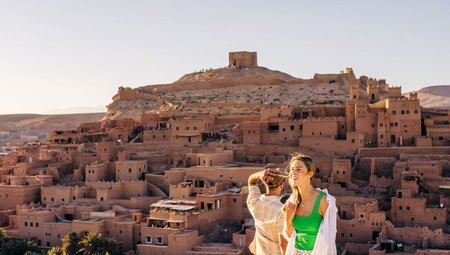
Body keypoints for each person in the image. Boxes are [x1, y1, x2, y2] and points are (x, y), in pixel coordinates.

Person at [282, 154, 338, 255]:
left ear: (310, 174)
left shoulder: (323, 200)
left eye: (298, 169)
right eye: (292, 169)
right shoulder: (293, 200)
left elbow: (329, 237)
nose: (293, 172)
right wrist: (288, 219)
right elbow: (289, 235)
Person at [246, 168, 287, 255]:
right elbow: (283, 242)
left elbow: (251, 181)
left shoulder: (255, 203)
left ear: (265, 183)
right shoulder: (282, 211)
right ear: (282, 185)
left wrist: (259, 174)